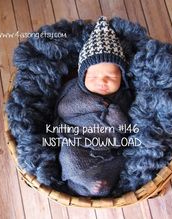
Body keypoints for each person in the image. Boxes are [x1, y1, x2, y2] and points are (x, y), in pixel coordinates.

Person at [54, 16, 134, 197]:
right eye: (94, 76)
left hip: (108, 147)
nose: (102, 81)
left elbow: (126, 128)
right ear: (82, 75)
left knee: (121, 161)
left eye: (112, 77)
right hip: (76, 139)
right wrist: (95, 103)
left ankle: (97, 188)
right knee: (68, 156)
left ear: (122, 77)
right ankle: (85, 182)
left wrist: (115, 112)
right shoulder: (75, 90)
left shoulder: (123, 97)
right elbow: (63, 109)